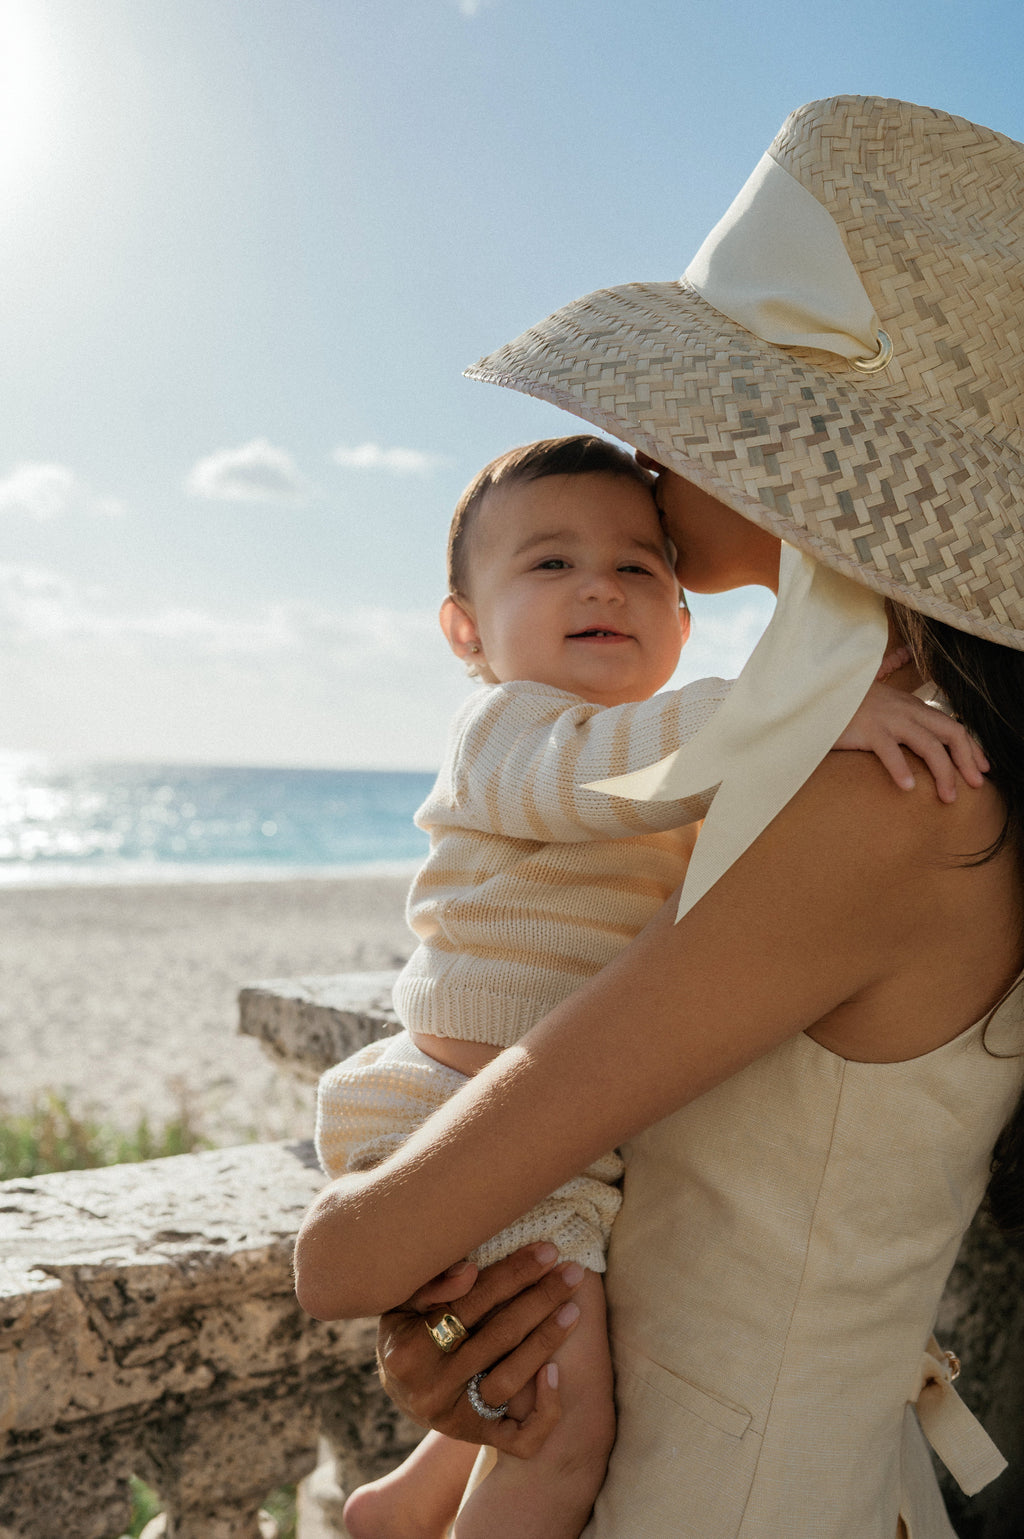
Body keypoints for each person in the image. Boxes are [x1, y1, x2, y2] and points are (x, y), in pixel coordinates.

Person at [295, 97, 1024, 1539]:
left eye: (705, 403)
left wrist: (421, 1300)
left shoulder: (882, 796)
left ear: (818, 450)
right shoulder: (930, 759)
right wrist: (465, 1342)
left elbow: (347, 1250)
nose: (648, 444)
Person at [314, 432, 977, 1539]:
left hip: (572, 1184)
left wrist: (795, 723)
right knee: (554, 1422)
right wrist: (791, 719)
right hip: (458, 1101)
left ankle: (404, 1506)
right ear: (463, 632)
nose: (598, 585)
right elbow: (607, 773)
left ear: (680, 622)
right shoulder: (514, 730)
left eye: (638, 566)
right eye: (549, 564)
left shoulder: (863, 795)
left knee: (543, 1397)